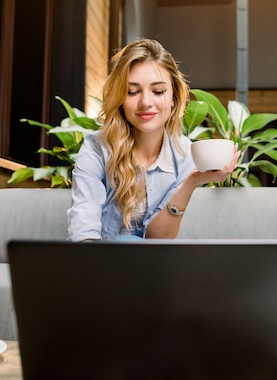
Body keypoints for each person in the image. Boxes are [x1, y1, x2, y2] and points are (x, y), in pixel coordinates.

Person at [67, 38, 238, 241]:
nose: (146, 102)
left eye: (158, 91)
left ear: (174, 100)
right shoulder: (96, 149)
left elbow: (157, 240)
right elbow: (83, 233)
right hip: (101, 265)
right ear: (120, 99)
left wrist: (191, 183)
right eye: (132, 92)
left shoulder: (185, 155)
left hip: (155, 266)